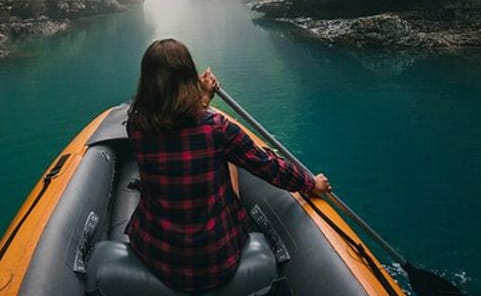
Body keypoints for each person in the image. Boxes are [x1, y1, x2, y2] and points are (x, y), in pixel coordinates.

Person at [126, 38, 331, 293]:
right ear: (189, 78)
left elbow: (173, 128)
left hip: (157, 255)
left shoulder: (136, 126)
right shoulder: (218, 129)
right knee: (229, 161)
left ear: (147, 82)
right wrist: (311, 183)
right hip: (217, 260)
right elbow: (268, 166)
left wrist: (201, 100)